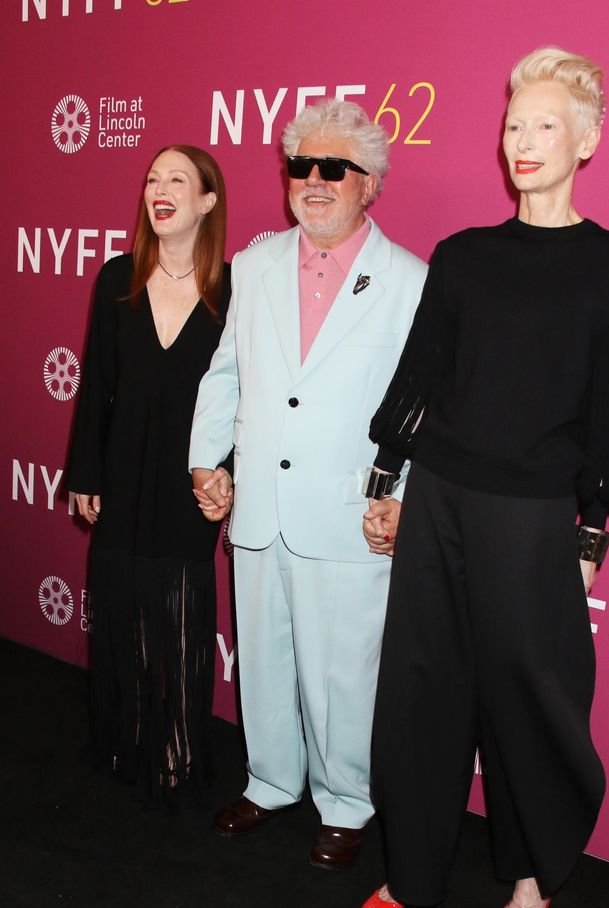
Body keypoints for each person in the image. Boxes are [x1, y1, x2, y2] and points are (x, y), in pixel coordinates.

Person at [360, 47, 609, 908]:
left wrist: (590, 536)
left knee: (530, 698)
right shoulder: (463, 256)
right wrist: (387, 480)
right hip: (441, 496)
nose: (522, 141)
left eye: (544, 126)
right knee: (421, 689)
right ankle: (414, 870)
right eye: (513, 124)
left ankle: (532, 875)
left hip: (532, 518)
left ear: (588, 141)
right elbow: (422, 377)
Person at [189, 99, 426, 868]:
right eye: (302, 167)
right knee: (261, 657)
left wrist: (398, 494)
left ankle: (346, 802)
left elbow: (426, 407)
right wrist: (208, 461)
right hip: (260, 505)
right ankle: (270, 782)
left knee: (342, 670)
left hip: (350, 512)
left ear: (371, 185)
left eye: (335, 169)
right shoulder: (253, 267)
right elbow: (225, 376)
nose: (315, 181)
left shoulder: (411, 281)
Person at [67, 145, 231, 804]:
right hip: (120, 468)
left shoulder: (233, 289)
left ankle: (180, 752)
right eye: (152, 179)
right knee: (121, 612)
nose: (159, 190)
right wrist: (85, 472)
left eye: (177, 180)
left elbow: (244, 397)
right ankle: (121, 740)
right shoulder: (116, 278)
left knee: (182, 617)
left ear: (207, 201)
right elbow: (96, 386)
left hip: (189, 483)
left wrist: (226, 478)